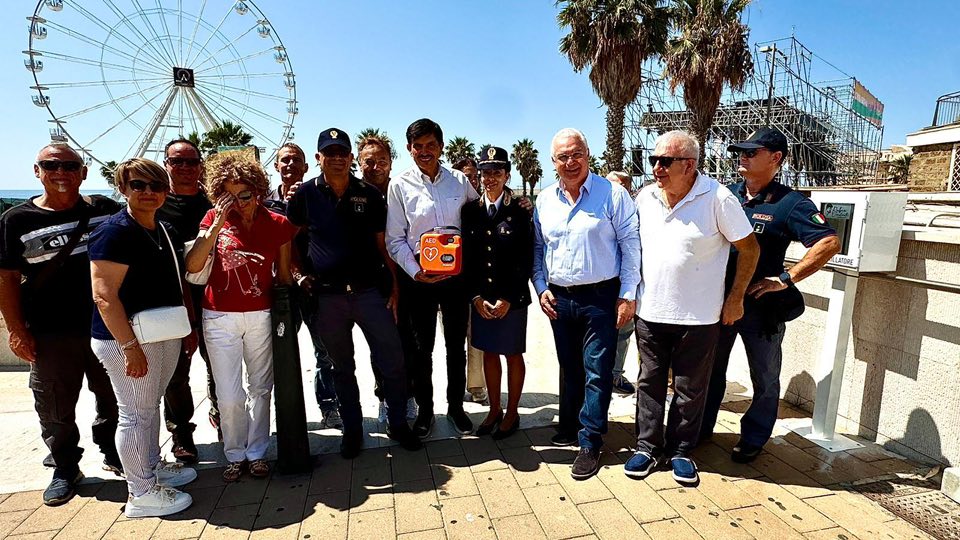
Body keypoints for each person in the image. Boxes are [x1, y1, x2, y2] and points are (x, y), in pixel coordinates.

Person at [627, 130, 759, 485]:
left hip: (699, 318)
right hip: (650, 313)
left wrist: (735, 299)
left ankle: (682, 450)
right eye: (653, 160)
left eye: (664, 161)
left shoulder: (718, 197)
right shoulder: (645, 198)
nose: (656, 167)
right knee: (649, 383)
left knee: (690, 388)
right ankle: (647, 448)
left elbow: (750, 250)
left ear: (689, 165)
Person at [701, 127, 840, 463]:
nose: (742, 158)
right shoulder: (726, 195)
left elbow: (828, 242)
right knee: (708, 371)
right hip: (718, 302)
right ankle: (700, 429)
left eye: (752, 152)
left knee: (764, 376)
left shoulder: (791, 203)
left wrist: (785, 278)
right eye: (741, 152)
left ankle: (754, 437)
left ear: (776, 158)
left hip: (762, 309)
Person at [287, 128, 422, 458]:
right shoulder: (304, 195)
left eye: (341, 153)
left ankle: (398, 424)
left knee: (393, 361)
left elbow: (383, 245)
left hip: (369, 294)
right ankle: (352, 431)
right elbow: (289, 240)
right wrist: (298, 274)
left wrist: (393, 287)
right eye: (329, 153)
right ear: (319, 158)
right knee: (341, 368)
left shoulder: (370, 195)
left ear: (350, 159)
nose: (336, 158)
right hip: (329, 298)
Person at [0, 143, 121, 506]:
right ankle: (65, 467)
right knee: (54, 403)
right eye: (51, 165)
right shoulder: (16, 221)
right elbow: (6, 278)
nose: (61, 172)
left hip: (105, 326)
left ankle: (116, 451)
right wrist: (16, 329)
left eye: (70, 165)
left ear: (83, 172)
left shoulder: (105, 210)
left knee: (115, 395)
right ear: (37, 171)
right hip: (50, 330)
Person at [88, 158, 198, 517]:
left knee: (149, 408)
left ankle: (151, 467)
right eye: (139, 185)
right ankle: (141, 493)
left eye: (156, 186)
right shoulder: (113, 232)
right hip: (129, 336)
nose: (149, 193)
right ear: (123, 189)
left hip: (161, 329)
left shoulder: (162, 228)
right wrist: (129, 347)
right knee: (135, 414)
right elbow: (104, 295)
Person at [533, 128, 640, 480]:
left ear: (588, 154)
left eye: (576, 153)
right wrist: (540, 286)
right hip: (559, 298)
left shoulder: (613, 194)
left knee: (597, 371)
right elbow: (538, 249)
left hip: (600, 297)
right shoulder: (544, 199)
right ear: (553, 162)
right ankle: (570, 426)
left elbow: (630, 245)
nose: (570, 161)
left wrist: (628, 293)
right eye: (562, 156)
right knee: (571, 368)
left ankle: (591, 441)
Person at [185, 151, 297, 482]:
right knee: (229, 393)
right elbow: (192, 266)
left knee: (261, 387)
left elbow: (285, 276)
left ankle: (257, 452)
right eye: (228, 196)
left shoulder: (278, 223)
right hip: (219, 316)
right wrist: (217, 225)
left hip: (261, 314)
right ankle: (233, 453)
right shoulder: (212, 220)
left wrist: (286, 320)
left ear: (259, 191)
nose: (238, 203)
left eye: (244, 195)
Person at [386, 118, 479, 438]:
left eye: (431, 145)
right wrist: (415, 271)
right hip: (420, 282)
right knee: (421, 349)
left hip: (456, 280)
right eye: (418, 146)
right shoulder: (399, 185)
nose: (425, 152)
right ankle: (426, 412)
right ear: (409, 149)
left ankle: (456, 407)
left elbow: (477, 222)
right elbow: (395, 239)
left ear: (441, 146)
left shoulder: (459, 181)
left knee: (456, 347)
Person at [264, 142, 343, 431]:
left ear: (306, 166)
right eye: (284, 160)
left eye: (296, 160)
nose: (290, 165)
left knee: (325, 351)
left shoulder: (318, 197)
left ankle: (329, 405)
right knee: (279, 352)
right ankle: (282, 411)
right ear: (276, 166)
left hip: (316, 287)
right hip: (281, 288)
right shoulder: (264, 202)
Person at [462, 146, 532, 440]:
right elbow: (467, 258)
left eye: (496, 172)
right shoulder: (470, 212)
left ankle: (512, 411)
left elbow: (526, 257)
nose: (490, 178)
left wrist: (507, 297)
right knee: (489, 353)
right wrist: (476, 297)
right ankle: (494, 409)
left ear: (507, 175)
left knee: (512, 354)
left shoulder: (520, 210)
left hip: (511, 299)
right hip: (482, 298)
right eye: (485, 173)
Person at [156, 138, 214, 459]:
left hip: (215, 299)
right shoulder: (155, 204)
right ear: (167, 164)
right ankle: (181, 433)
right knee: (176, 373)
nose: (185, 168)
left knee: (218, 364)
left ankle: (220, 411)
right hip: (172, 301)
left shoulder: (214, 204)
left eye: (191, 162)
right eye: (177, 161)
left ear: (200, 166)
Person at [357, 134, 419, 423]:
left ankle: (408, 397)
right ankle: (383, 396)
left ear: (391, 162)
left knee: (409, 342)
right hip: (370, 283)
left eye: (381, 160)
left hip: (406, 277)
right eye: (369, 161)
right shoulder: (353, 192)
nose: (375, 166)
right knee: (377, 345)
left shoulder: (403, 189)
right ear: (359, 163)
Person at [453, 156, 489, 407]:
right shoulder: (450, 204)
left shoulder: (485, 205)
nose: (473, 180)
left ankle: (477, 387)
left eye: (475, 176)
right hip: (450, 284)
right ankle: (452, 392)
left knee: (476, 339)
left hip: (477, 284)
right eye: (467, 177)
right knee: (453, 342)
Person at [605, 171, 638, 396]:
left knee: (624, 332)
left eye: (621, 187)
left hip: (626, 283)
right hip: (601, 284)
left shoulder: (637, 211)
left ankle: (615, 374)